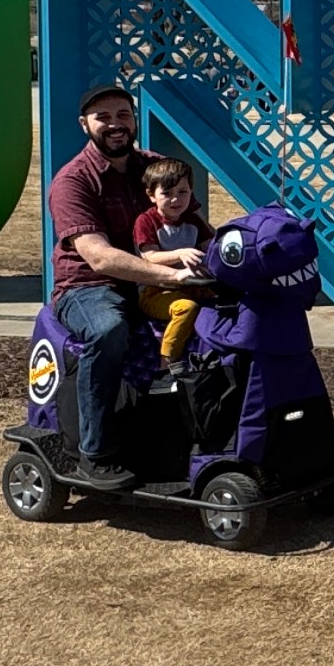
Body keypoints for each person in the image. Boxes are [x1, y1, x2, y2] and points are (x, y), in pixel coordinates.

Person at [45, 85, 207, 490]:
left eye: (123, 114)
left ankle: (206, 436)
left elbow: (198, 228)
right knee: (108, 330)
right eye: (104, 117)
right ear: (85, 124)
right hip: (89, 286)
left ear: (135, 119)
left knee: (227, 318)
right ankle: (95, 453)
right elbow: (98, 256)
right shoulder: (72, 182)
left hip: (152, 283)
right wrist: (172, 276)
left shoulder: (157, 168)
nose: (116, 124)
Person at [133, 156, 217, 363]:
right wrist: (180, 253)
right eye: (167, 193)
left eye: (183, 192)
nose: (176, 199)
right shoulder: (146, 221)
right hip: (155, 290)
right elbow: (150, 256)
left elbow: (211, 247)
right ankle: (167, 359)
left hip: (191, 285)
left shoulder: (192, 220)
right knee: (186, 308)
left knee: (227, 296)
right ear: (151, 195)